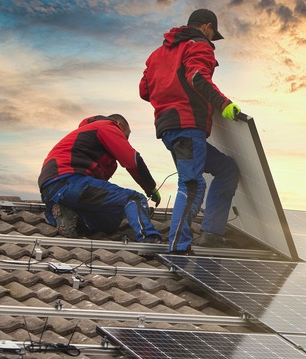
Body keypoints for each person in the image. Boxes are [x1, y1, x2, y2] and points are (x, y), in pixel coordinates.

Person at [140, 8, 241, 255]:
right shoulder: (199, 44)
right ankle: (178, 246)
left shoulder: (157, 54)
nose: (211, 39)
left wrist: (168, 90)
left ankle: (212, 233)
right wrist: (224, 104)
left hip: (168, 128)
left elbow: (144, 90)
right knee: (193, 185)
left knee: (226, 169)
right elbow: (197, 76)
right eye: (212, 34)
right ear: (207, 27)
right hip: (187, 126)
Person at [38, 114, 163, 243]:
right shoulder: (107, 127)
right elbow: (133, 161)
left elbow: (99, 195)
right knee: (134, 198)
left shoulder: (87, 136)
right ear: (119, 125)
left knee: (109, 223)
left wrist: (137, 213)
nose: (126, 140)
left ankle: (69, 215)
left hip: (51, 189)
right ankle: (148, 238)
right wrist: (150, 188)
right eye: (126, 135)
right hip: (70, 180)